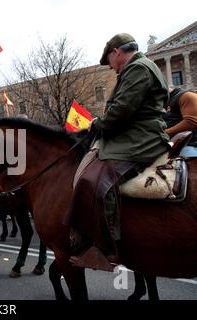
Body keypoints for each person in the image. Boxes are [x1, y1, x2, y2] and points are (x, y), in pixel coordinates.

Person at [66, 33, 170, 270]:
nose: (112, 68)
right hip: (135, 132)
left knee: (96, 177)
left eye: (110, 61)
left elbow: (122, 110)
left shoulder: (138, 69)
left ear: (117, 52)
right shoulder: (139, 67)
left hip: (140, 136)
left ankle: (107, 246)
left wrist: (98, 125)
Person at [163, 88, 197, 157]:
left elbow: (192, 122)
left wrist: (164, 133)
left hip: (191, 145)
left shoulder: (186, 96)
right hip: (176, 146)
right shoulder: (168, 100)